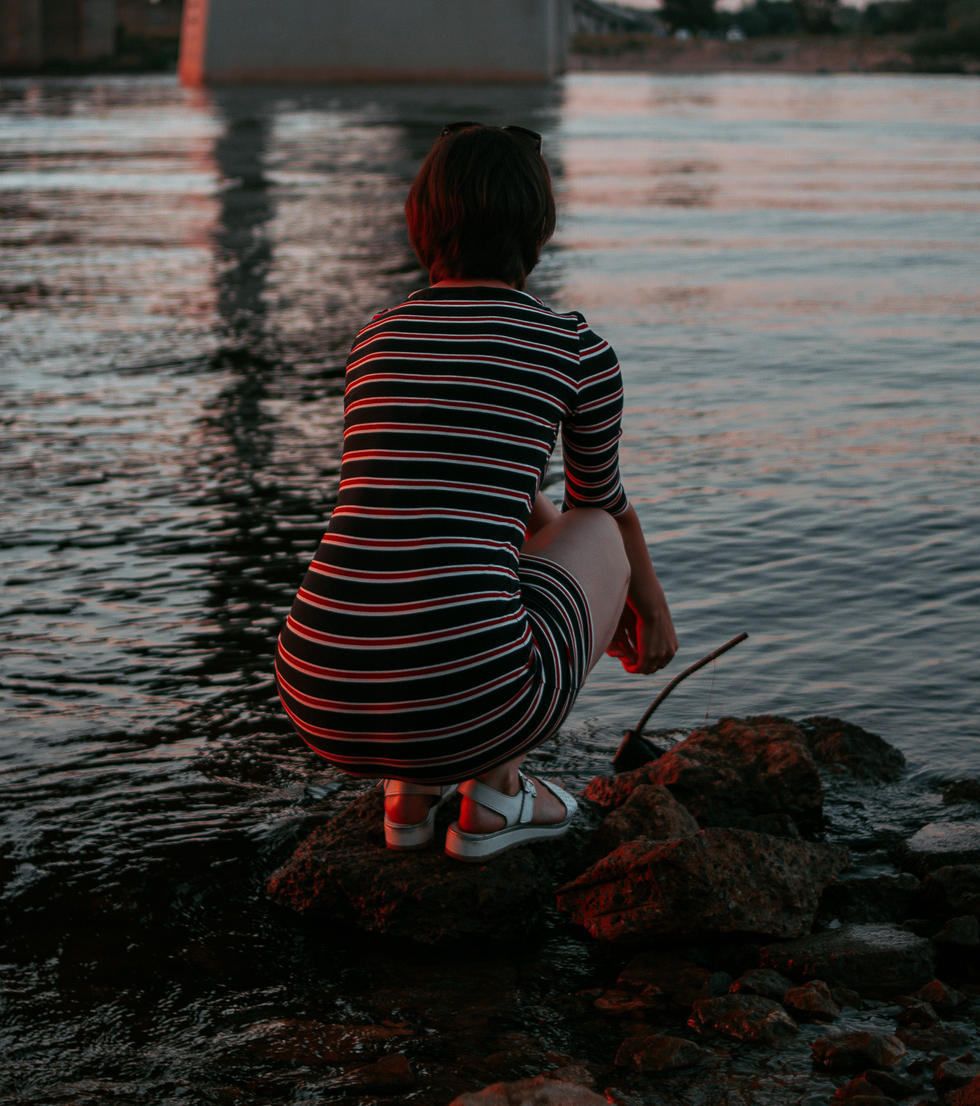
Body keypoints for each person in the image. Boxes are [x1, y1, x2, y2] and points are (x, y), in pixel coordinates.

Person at [274, 122, 680, 861]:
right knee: (582, 530)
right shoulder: (574, 346)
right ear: (538, 224)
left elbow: (456, 494)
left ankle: (409, 796)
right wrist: (641, 601)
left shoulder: (376, 338)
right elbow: (602, 506)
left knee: (442, 546)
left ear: (421, 218)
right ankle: (496, 796)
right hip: (472, 695)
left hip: (318, 686)